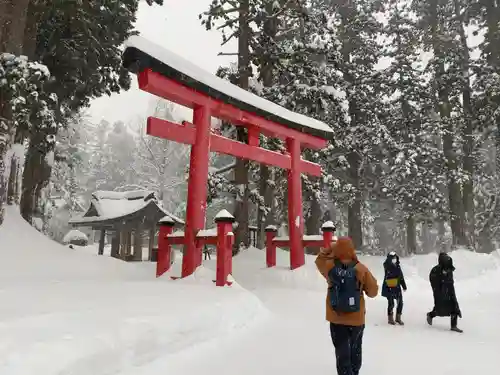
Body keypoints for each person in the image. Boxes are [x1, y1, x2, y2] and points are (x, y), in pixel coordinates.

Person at [315, 237, 379, 375]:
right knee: (355, 351)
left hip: (336, 318)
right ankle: (354, 372)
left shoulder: (329, 267)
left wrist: (330, 248)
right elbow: (373, 292)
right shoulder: (360, 268)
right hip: (356, 320)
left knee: (342, 353)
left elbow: (319, 260)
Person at [426, 252, 463, 333]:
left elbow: (451, 282)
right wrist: (441, 282)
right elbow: (433, 282)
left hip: (449, 291)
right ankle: (430, 315)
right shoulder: (435, 270)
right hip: (440, 293)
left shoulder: (449, 269)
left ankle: (454, 326)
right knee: (440, 309)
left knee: (454, 307)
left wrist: (451, 292)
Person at [381, 251, 407, 325]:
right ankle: (390, 318)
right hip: (389, 287)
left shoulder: (398, 266)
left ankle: (398, 318)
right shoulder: (387, 266)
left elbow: (401, 277)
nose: (394, 259)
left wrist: (404, 286)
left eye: (395, 258)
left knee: (400, 303)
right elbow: (388, 271)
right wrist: (390, 262)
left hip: (397, 287)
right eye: (393, 258)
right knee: (391, 303)